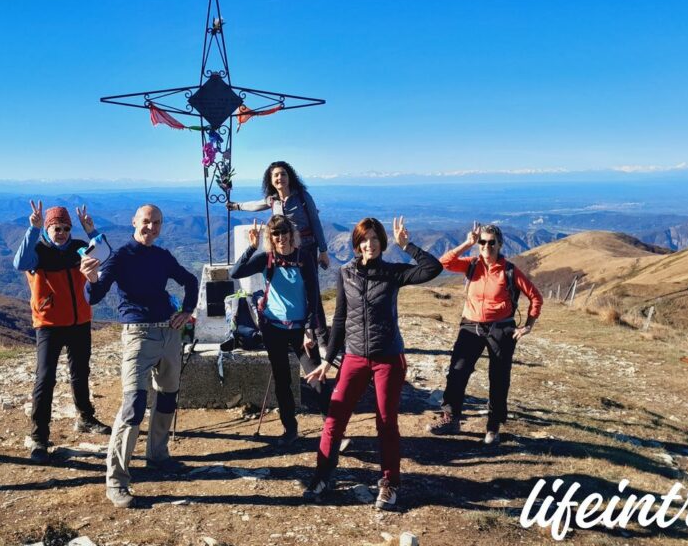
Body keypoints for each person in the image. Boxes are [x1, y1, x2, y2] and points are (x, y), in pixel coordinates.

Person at [304, 217, 442, 511]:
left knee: (386, 422)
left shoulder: (392, 273)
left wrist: (408, 246)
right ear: (357, 244)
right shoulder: (346, 273)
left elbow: (433, 268)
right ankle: (323, 475)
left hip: (388, 358)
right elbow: (340, 319)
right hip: (354, 357)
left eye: (375, 240)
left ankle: (390, 483)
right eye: (364, 240)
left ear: (382, 243)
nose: (369, 245)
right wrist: (328, 361)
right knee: (335, 417)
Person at [80, 204, 198, 508]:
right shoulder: (121, 257)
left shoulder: (162, 256)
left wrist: (186, 311)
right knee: (133, 405)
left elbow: (191, 281)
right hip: (138, 336)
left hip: (169, 334)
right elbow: (95, 296)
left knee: (168, 396)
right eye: (147, 222)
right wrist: (90, 279)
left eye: (157, 223)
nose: (152, 227)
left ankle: (157, 456)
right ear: (134, 222)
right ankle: (116, 480)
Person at [426, 223, 543, 445]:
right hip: (471, 325)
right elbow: (444, 263)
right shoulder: (471, 265)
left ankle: (493, 426)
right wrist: (467, 243)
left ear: (500, 244)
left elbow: (535, 296)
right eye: (482, 242)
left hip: (501, 327)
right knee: (457, 372)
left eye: (491, 242)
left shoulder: (509, 270)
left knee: (499, 378)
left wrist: (528, 325)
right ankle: (450, 418)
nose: (486, 246)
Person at [13, 201, 111, 464]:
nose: (63, 232)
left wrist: (91, 230)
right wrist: (32, 229)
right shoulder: (37, 251)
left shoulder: (79, 247)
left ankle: (85, 418)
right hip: (49, 325)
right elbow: (19, 262)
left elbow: (105, 255)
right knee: (45, 380)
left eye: (66, 227)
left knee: (81, 373)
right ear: (48, 228)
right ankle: (39, 438)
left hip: (80, 321)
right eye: (57, 227)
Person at [229, 215, 322, 448]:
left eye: (283, 232)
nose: (280, 237)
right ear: (271, 238)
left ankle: (332, 430)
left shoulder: (304, 258)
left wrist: (311, 328)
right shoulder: (266, 259)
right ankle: (290, 429)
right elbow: (236, 272)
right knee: (282, 382)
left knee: (316, 379)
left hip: (301, 330)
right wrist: (252, 247)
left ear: (292, 233)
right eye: (275, 234)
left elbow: (314, 294)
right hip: (273, 329)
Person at [226, 161, 331, 352]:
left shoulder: (302, 197)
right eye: (275, 175)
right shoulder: (272, 200)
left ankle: (322, 340)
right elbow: (256, 205)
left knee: (312, 293)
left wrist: (323, 251)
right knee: (291, 292)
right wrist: (236, 206)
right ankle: (297, 333)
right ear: (271, 180)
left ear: (289, 177)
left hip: (306, 250)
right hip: (283, 252)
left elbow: (316, 223)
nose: (279, 178)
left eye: (283, 174)